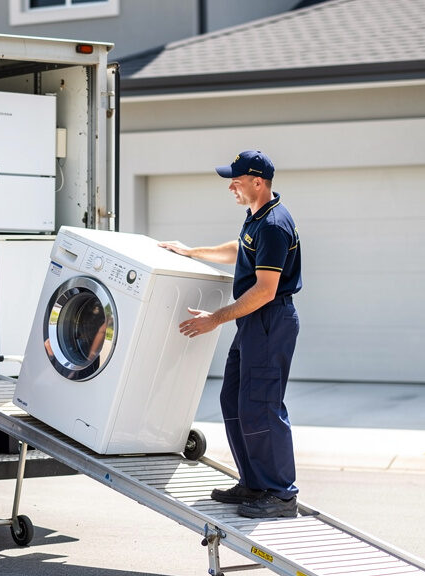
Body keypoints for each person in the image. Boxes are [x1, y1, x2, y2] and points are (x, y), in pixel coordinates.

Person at [159, 150, 302, 519]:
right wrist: (192, 252)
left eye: (236, 181)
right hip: (253, 323)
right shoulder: (257, 218)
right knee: (234, 400)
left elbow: (265, 290)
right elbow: (240, 249)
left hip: (269, 320)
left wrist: (215, 319)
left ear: (258, 182)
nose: (230, 187)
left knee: (263, 406)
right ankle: (254, 483)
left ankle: (281, 494)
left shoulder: (274, 225)